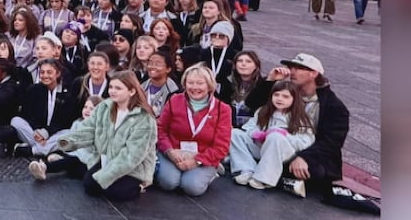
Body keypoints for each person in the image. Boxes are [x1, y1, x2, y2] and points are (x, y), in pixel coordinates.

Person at [244, 54, 361, 206]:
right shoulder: (286, 91)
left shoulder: (334, 106)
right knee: (242, 139)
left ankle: (271, 175)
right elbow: (252, 104)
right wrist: (270, 80)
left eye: (299, 68)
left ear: (314, 74)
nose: (292, 71)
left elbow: (331, 143)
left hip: (306, 151)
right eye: (291, 67)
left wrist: (304, 157)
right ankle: (280, 179)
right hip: (274, 144)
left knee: (314, 172)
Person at [57, 70, 158, 202]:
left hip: (133, 167)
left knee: (115, 192)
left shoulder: (144, 119)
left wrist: (106, 175)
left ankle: (140, 186)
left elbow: (132, 156)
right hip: (106, 159)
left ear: (131, 91)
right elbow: (89, 128)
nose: (112, 91)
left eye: (118, 88)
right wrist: (70, 141)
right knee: (90, 187)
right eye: (111, 87)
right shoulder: (104, 107)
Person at [154, 63, 233, 197]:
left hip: (203, 156)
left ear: (209, 86)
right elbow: (161, 129)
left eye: (200, 83)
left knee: (192, 187)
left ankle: (211, 171)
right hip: (174, 152)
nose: (194, 87)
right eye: (190, 82)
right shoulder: (174, 100)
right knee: (168, 183)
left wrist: (196, 161)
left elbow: (222, 146)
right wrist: (170, 151)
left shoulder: (222, 109)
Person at [229, 80, 316, 190]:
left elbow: (306, 142)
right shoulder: (263, 111)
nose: (279, 99)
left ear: (294, 99)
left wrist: (285, 135)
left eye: (285, 96)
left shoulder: (301, 118)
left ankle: (264, 178)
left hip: (283, 153)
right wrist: (255, 133)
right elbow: (248, 127)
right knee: (235, 133)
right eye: (276, 95)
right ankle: (246, 169)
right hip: (261, 148)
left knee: (275, 136)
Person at [0, 58, 78, 158]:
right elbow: (27, 115)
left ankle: (32, 150)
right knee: (15, 121)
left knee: (69, 133)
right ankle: (48, 149)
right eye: (42, 72)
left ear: (58, 74)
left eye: (49, 72)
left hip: (55, 132)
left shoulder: (67, 94)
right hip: (36, 134)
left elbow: (64, 122)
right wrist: (38, 131)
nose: (45, 76)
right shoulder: (34, 90)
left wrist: (46, 132)